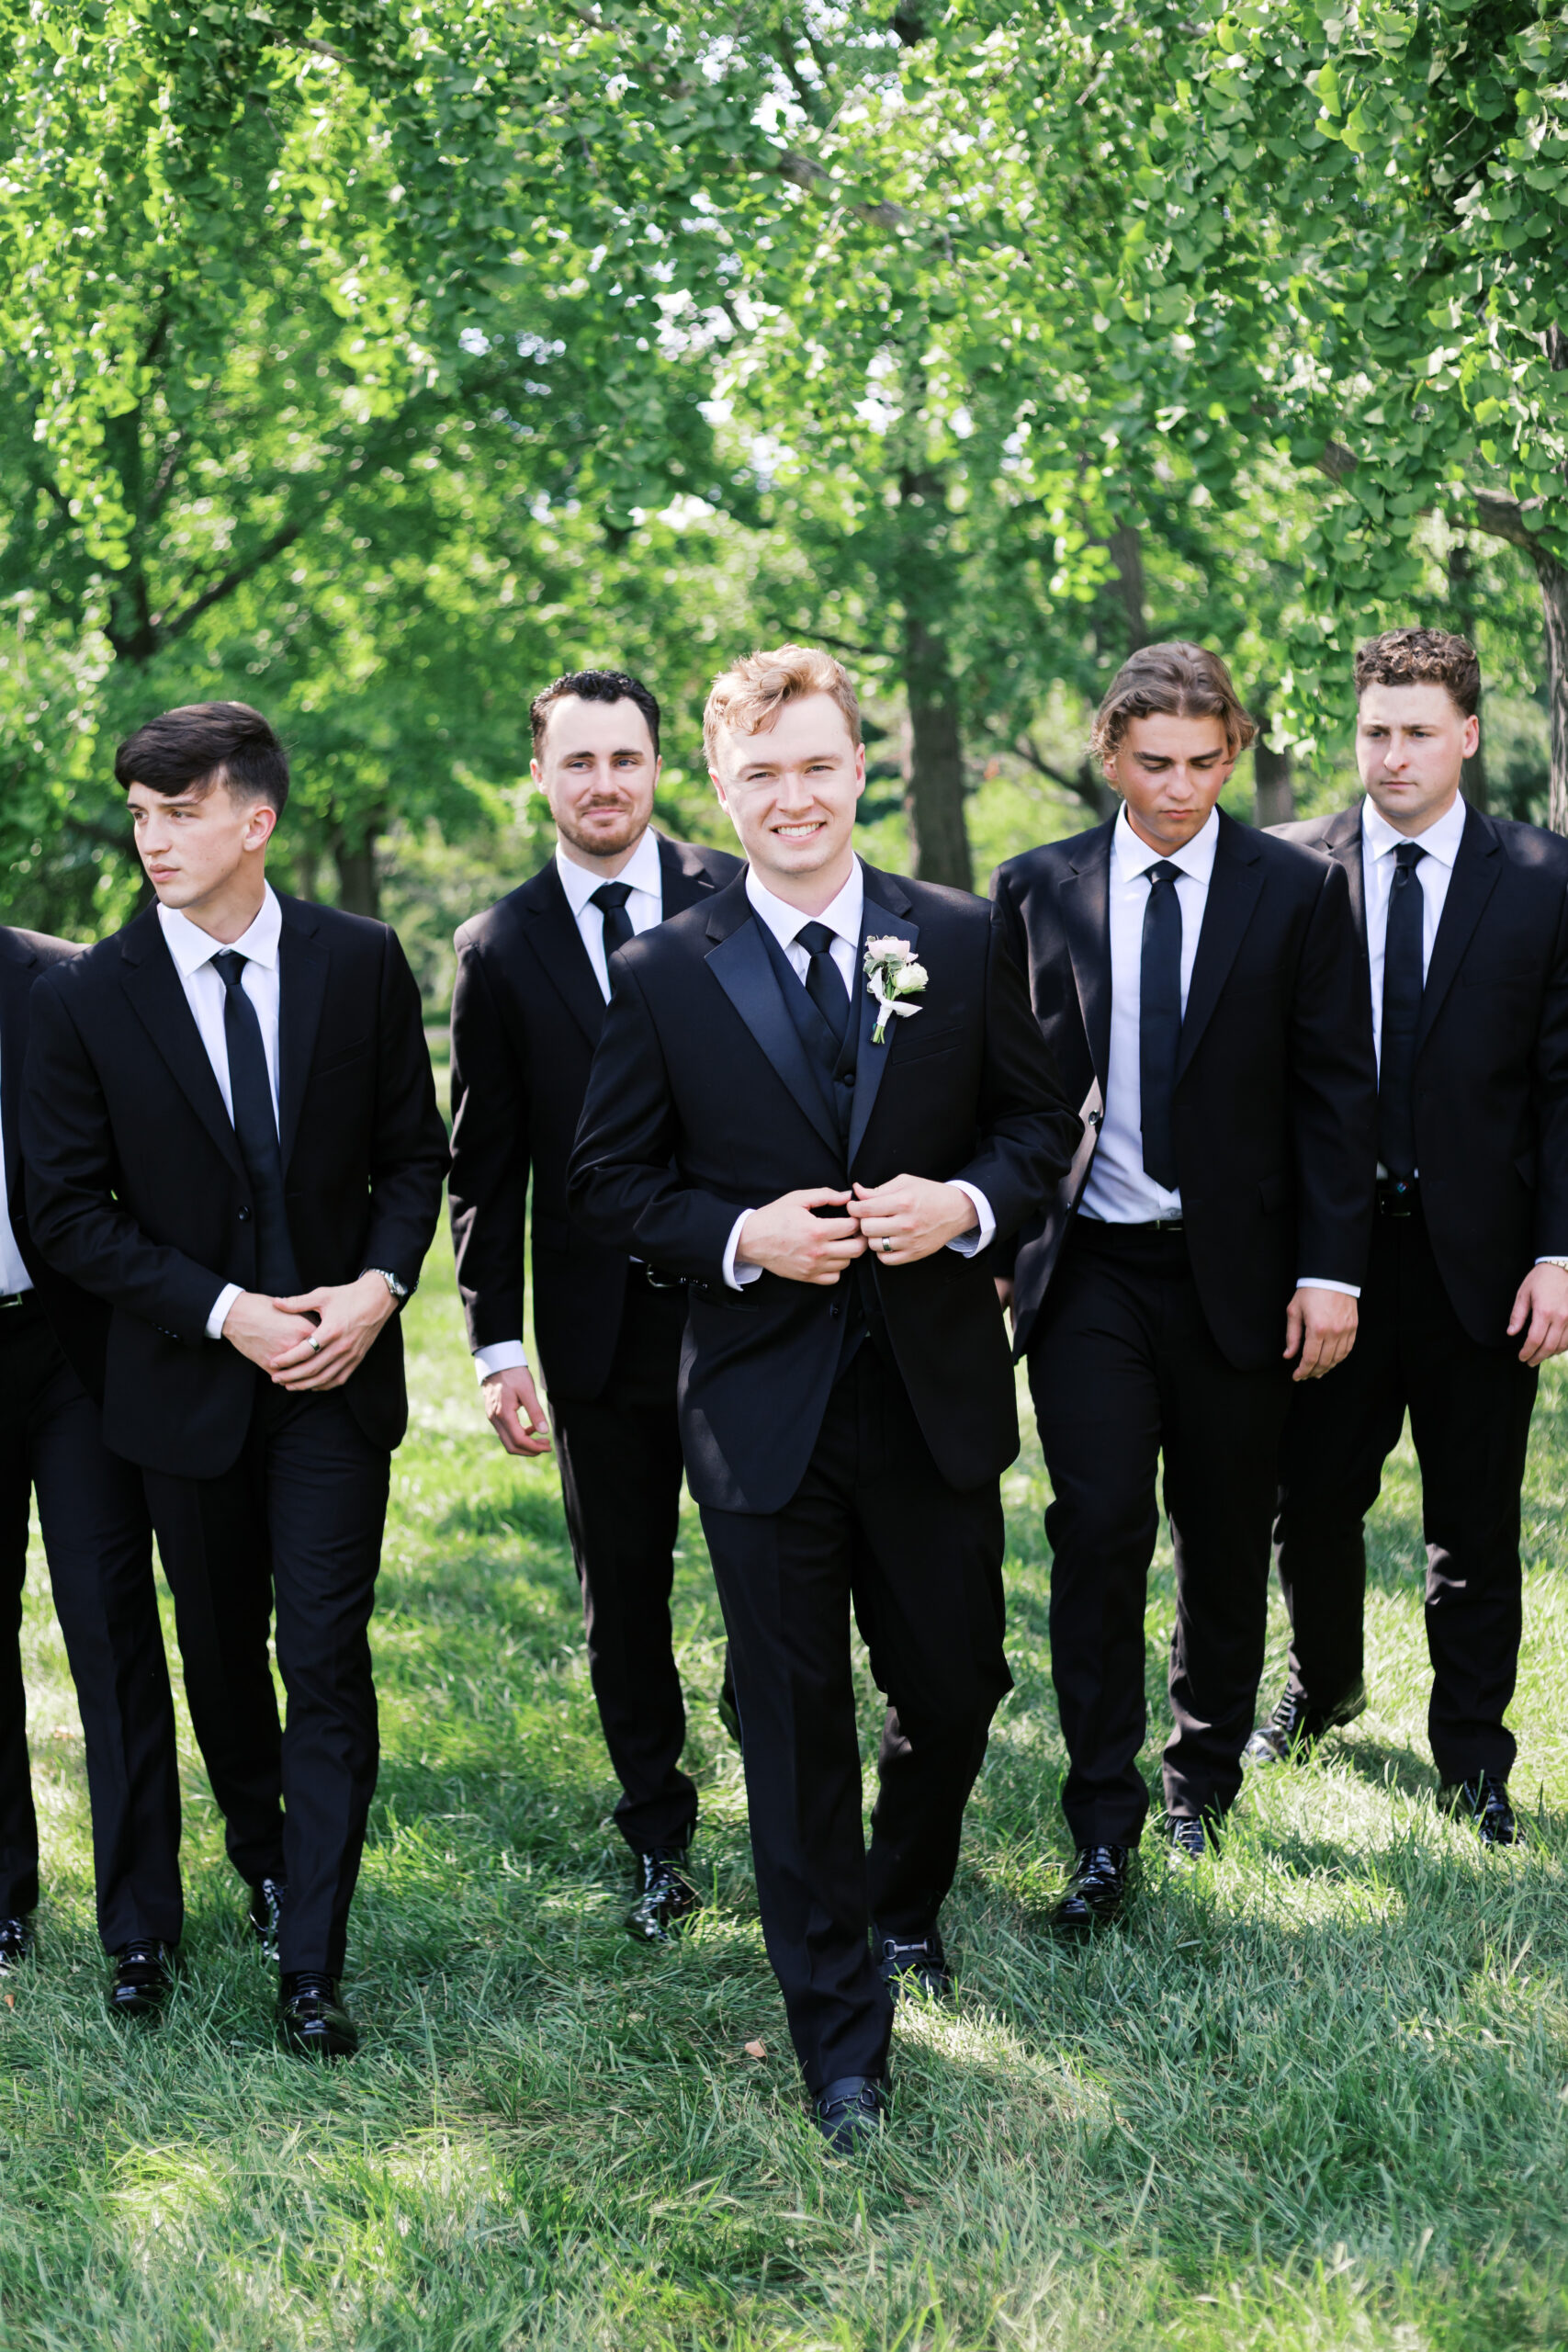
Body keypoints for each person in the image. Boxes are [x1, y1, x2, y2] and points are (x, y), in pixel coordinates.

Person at [568, 644, 1077, 2153]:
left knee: (955, 1686)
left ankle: (901, 1894)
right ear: (720, 791)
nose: (793, 797)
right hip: (756, 1402)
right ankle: (839, 2040)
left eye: (816, 765)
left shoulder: (965, 938)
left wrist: (968, 1210)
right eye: (760, 774)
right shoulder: (664, 971)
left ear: (858, 767)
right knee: (790, 1729)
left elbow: (1038, 1127)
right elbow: (607, 1183)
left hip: (927, 1391)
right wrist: (740, 1238)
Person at [23, 703, 447, 2054]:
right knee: (221, 1662)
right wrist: (222, 1315)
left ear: (253, 820)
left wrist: (378, 1293)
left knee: (323, 1655)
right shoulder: (86, 995)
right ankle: (261, 1858)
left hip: (337, 1377)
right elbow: (68, 1216)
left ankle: (311, 1963)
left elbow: (412, 1159)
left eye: (180, 812)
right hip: (179, 1389)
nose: (154, 839)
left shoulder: (361, 962)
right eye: (140, 816)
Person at [990, 642, 1377, 1934]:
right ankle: (1097, 1822)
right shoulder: (1034, 890)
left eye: (1203, 764)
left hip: (1240, 1273)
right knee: (1095, 1528)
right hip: (1087, 1267)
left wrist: (1329, 1271)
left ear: (1234, 751)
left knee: (1222, 1536)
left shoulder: (1292, 889)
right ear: (1107, 751)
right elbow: (1004, 1091)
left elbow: (1334, 1092)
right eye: (1151, 764)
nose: (1177, 789)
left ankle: (1195, 1778)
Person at [1247, 629, 1568, 1844]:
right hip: (1326, 1260)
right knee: (1311, 1499)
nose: (1391, 755)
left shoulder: (1540, 879)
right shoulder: (1282, 871)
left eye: (1417, 731)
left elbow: (1558, 1092)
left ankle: (1471, 1755)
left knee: (1471, 1520)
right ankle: (1318, 1690)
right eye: (1373, 731)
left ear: (1467, 737)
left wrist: (1555, 1253)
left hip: (1479, 1265)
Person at [448, 669, 740, 1941]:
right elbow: (484, 1161)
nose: (604, 783)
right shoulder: (496, 947)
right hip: (593, 1334)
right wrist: (496, 1342)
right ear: (541, 777)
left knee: (770, 1574)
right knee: (622, 1594)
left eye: (624, 758)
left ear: (658, 766)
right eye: (578, 762)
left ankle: (787, 1791)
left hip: (743, 1310)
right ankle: (656, 1833)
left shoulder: (739, 897)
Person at [0, 923, 184, 2014]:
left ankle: (141, 1929)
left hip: (69, 1351)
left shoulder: (65, 979)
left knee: (109, 1623)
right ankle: (4, 1901)